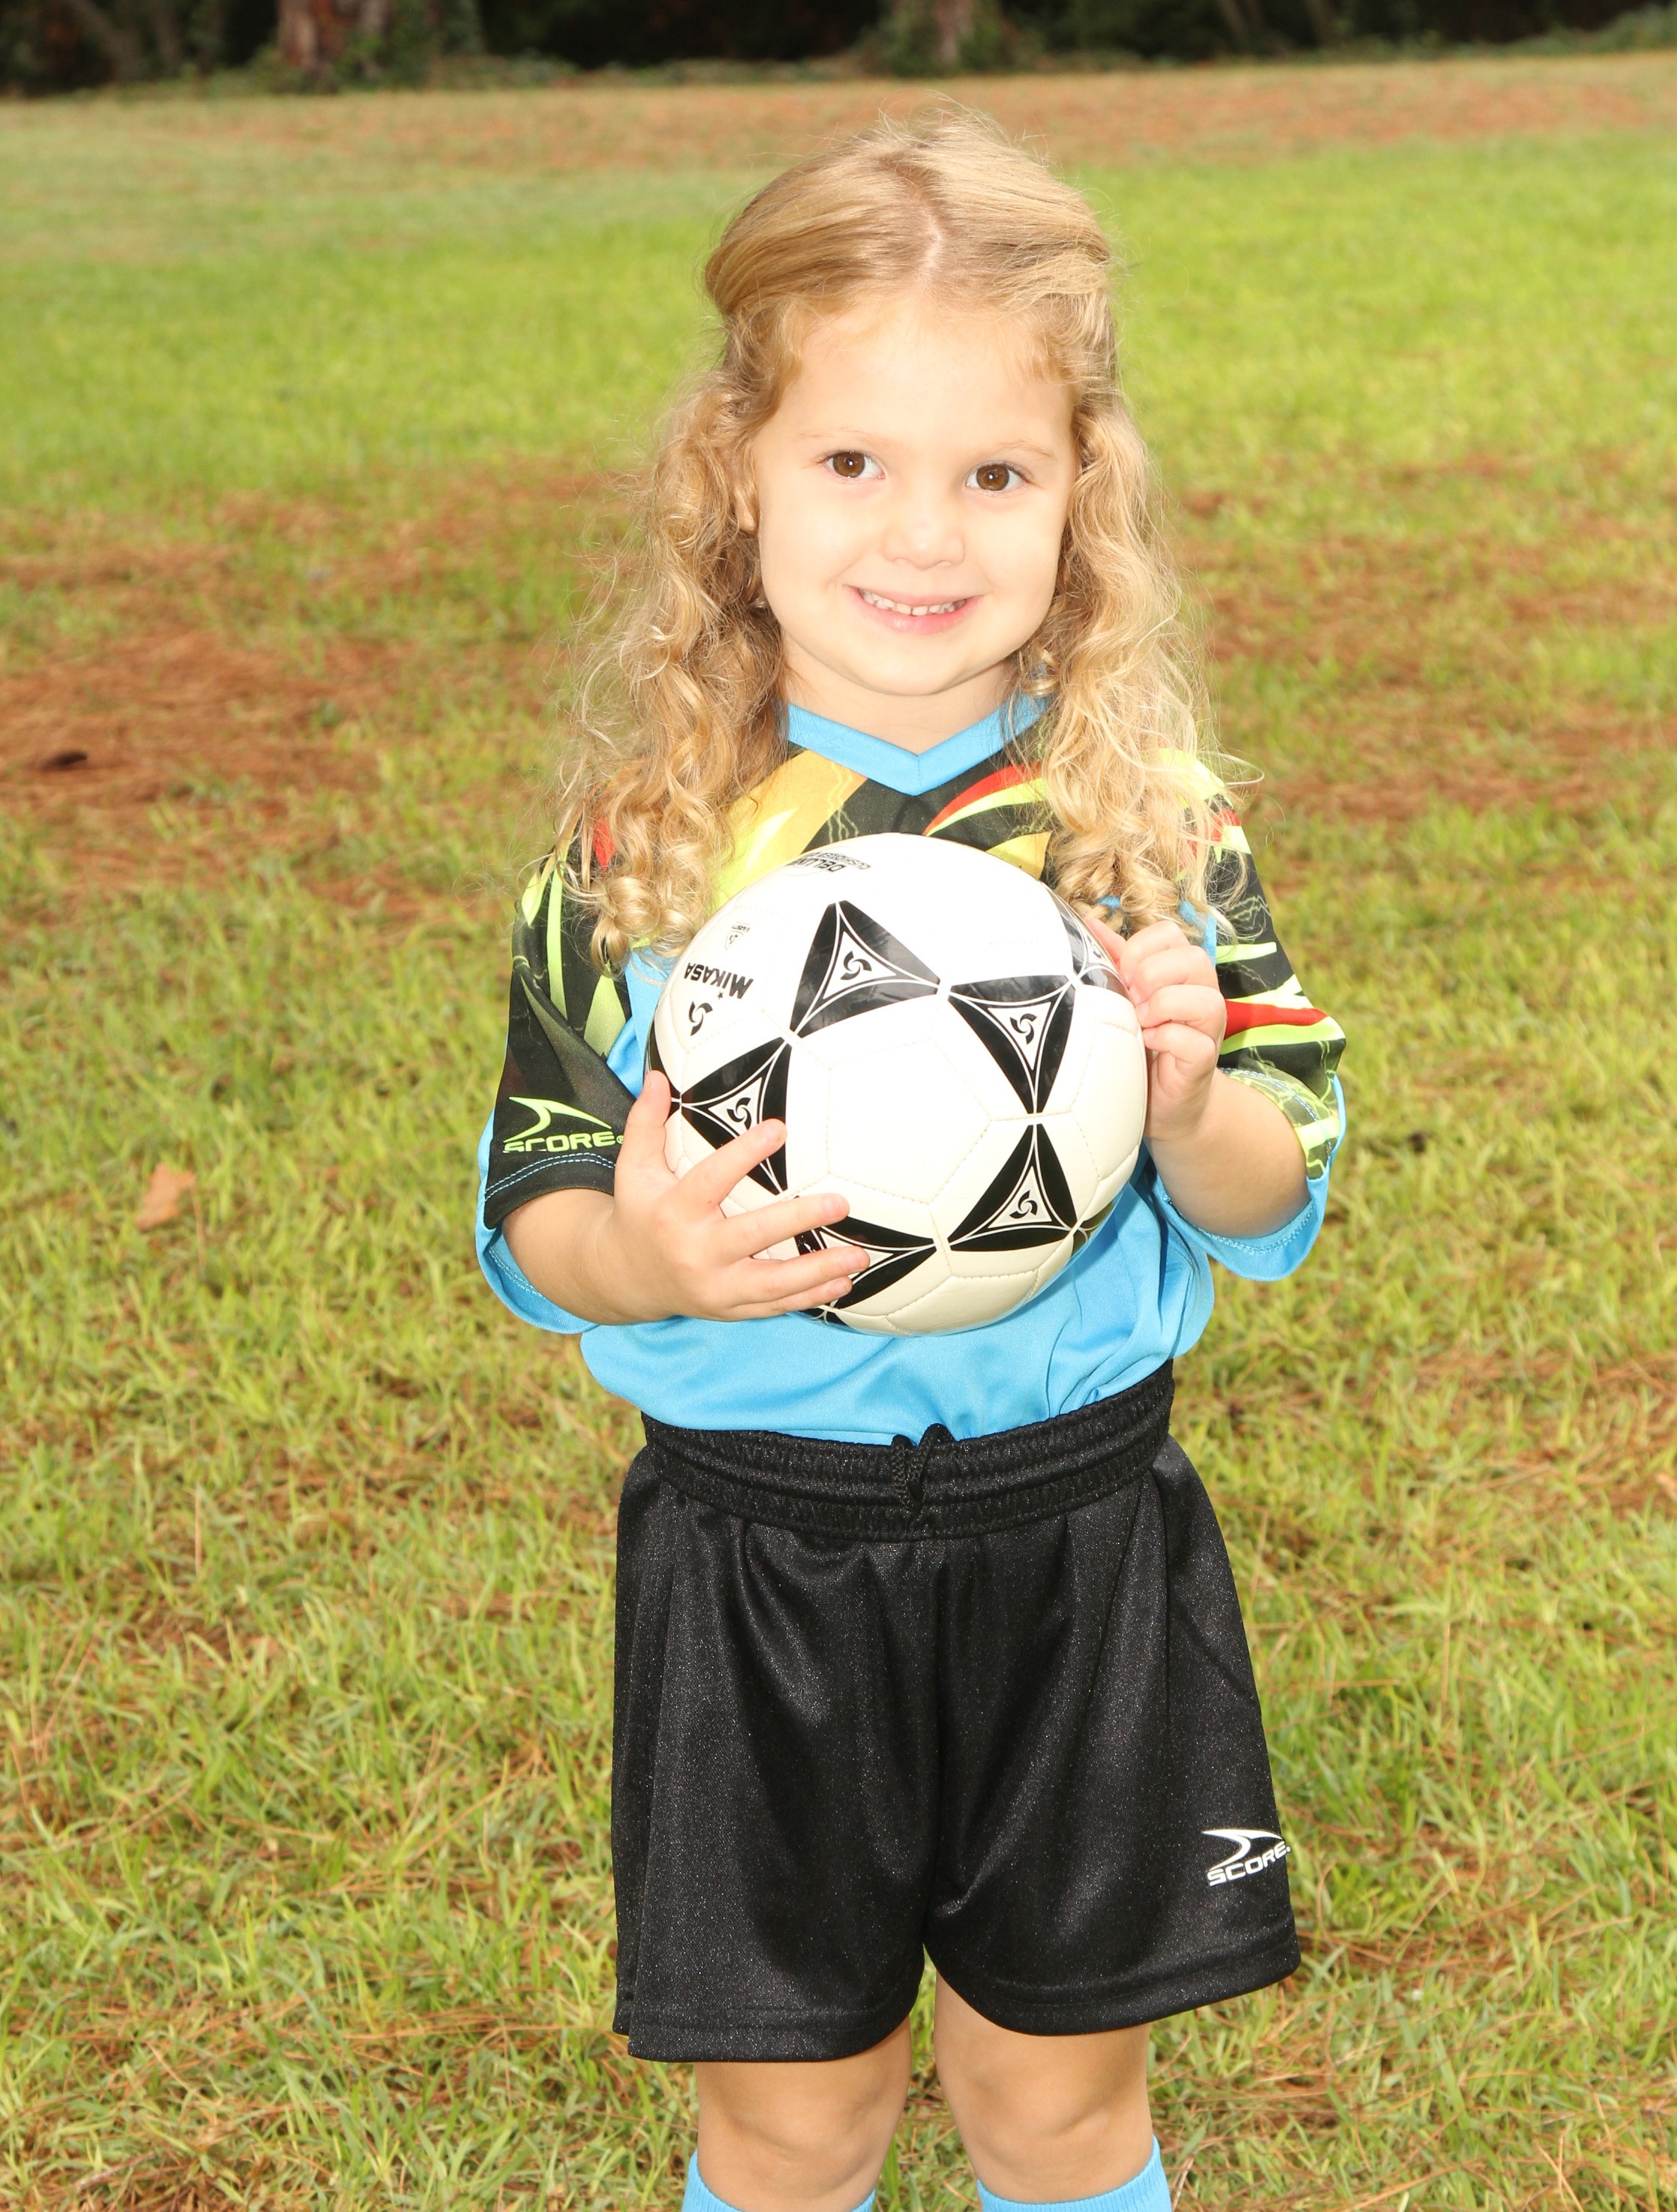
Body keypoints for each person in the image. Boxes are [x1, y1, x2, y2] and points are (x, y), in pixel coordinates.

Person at [474, 111, 1345, 2212]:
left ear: (1083, 494)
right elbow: (537, 1212)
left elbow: (1274, 1191)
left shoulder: (1147, 830)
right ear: (737, 477)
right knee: (794, 2117)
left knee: (1060, 2106)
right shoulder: (641, 854)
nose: (925, 533)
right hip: (760, 1555)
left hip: (1080, 1542)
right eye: (855, 460)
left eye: (997, 475)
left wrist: (1190, 1101)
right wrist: (650, 1257)